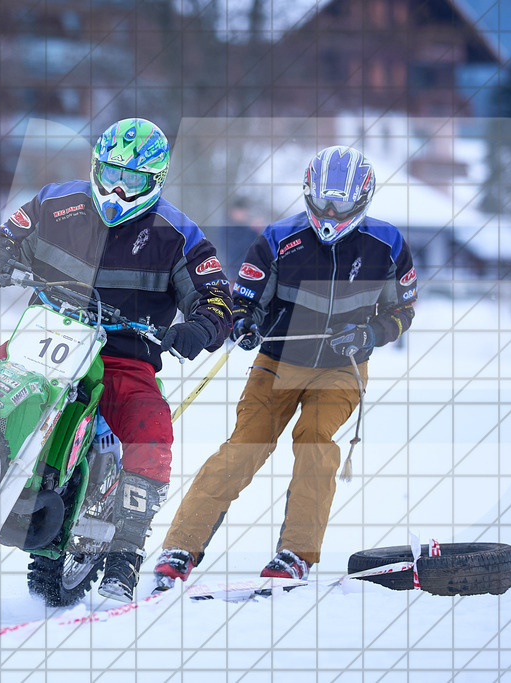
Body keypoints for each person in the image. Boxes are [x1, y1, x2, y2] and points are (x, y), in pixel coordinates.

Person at [0, 118, 233, 602]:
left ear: (155, 182)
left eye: (135, 180)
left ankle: (125, 552)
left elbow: (216, 299)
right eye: (111, 173)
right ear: (95, 167)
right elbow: (1, 240)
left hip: (124, 353)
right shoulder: (54, 203)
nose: (119, 188)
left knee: (151, 429)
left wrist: (199, 326)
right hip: (46, 334)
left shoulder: (178, 234)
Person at [153, 145, 417, 589]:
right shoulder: (278, 238)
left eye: (342, 204)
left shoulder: (387, 245)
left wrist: (370, 334)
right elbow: (244, 302)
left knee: (314, 442)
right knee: (245, 446)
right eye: (324, 202)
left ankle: (296, 552)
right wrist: (245, 325)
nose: (331, 213)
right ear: (308, 194)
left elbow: (402, 311)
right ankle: (181, 545)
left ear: (364, 199)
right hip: (278, 362)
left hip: (342, 367)